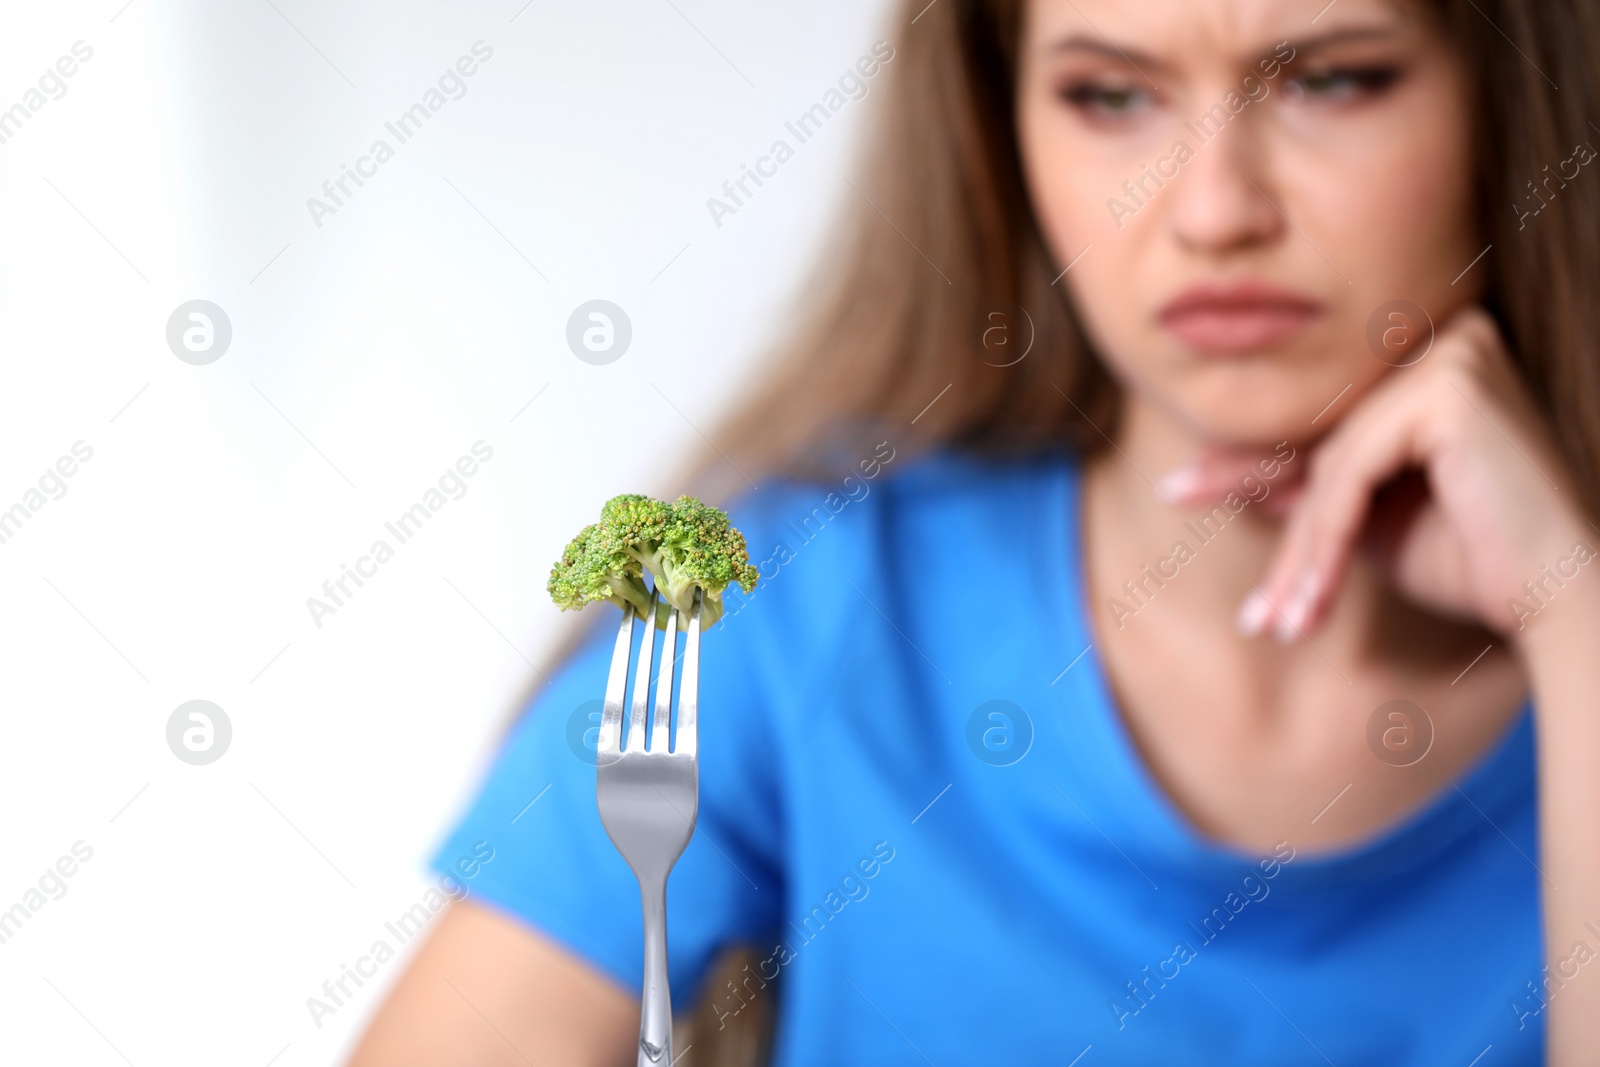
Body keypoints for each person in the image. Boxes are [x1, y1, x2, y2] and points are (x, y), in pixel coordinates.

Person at [350, 0, 1600, 1062]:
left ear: (1513, 103)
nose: (1212, 208)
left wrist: (1570, 606)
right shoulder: (784, 604)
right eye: (1110, 95)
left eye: (1331, 79)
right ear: (1000, 133)